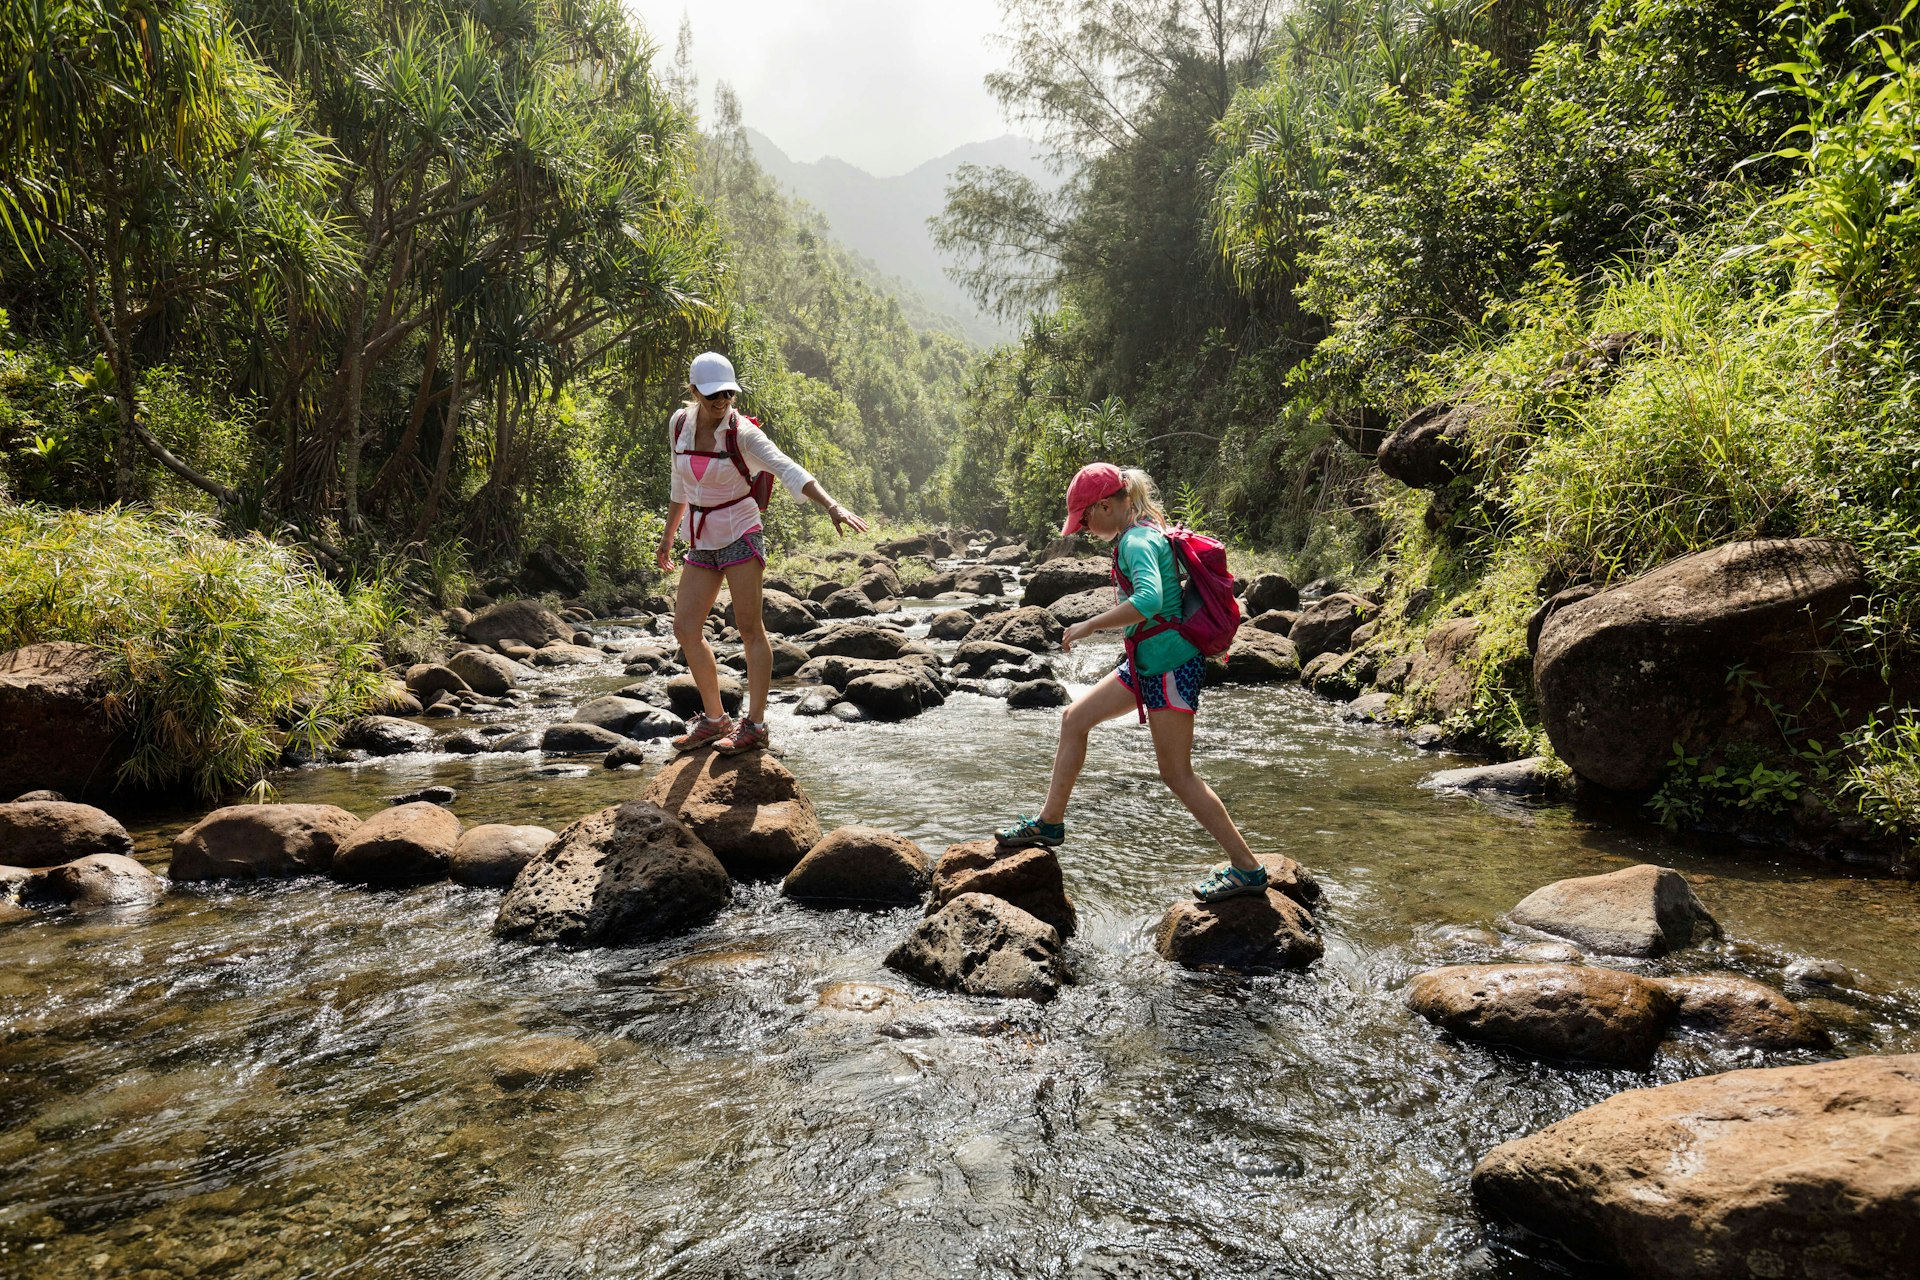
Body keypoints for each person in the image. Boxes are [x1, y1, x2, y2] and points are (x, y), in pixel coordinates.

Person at [996, 462, 1269, 902]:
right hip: (1146, 665)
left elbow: (1149, 600)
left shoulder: (1137, 540)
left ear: (1106, 504)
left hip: (1169, 667)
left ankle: (1248, 868)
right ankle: (1050, 822)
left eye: (1085, 518)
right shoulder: (1140, 530)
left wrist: (1088, 625)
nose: (1083, 528)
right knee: (1074, 718)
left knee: (1177, 774)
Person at [655, 351, 867, 754]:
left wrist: (832, 506)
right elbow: (678, 483)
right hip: (700, 536)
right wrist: (668, 536)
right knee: (685, 628)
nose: (721, 402)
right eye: (713, 395)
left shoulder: (743, 434)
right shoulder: (679, 424)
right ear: (695, 390)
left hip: (739, 531)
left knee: (749, 628)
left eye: (728, 395)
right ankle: (715, 721)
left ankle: (754, 725)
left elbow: (789, 469)